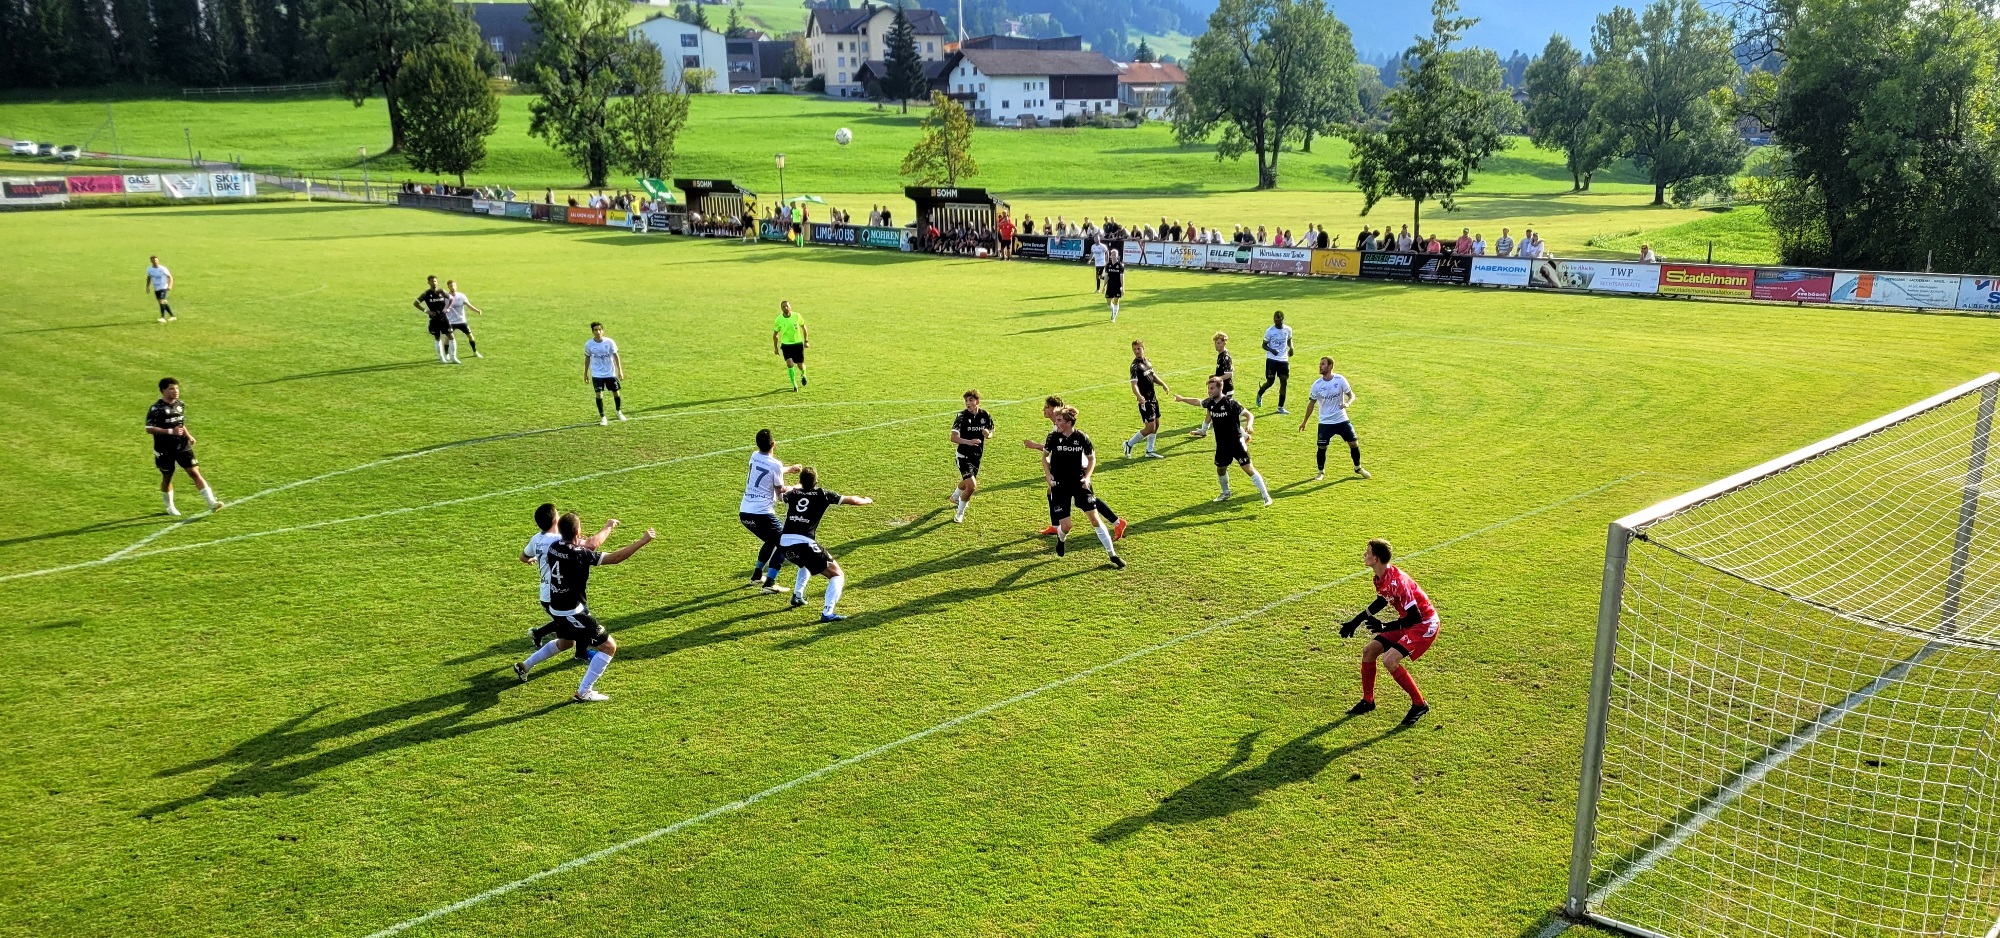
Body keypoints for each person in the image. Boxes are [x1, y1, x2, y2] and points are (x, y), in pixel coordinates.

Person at [513, 513, 656, 703]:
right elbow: (615, 558)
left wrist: (606, 528)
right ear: (577, 532)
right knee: (608, 647)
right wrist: (642, 541)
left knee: (566, 643)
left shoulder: (554, 547)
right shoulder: (578, 554)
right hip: (572, 612)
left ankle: (524, 666)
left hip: (556, 607)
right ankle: (584, 691)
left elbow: (588, 544)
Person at [1339, 538, 1437, 726]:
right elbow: (1381, 601)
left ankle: (1420, 704)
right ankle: (1368, 701)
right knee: (1369, 651)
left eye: (1367, 553)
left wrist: (1384, 627)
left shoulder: (1397, 581)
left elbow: (1415, 617)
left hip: (1424, 624)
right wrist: (1355, 621)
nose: (1364, 555)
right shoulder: (1382, 577)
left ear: (1375, 558)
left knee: (1389, 660)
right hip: (1408, 622)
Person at [779, 467, 874, 622]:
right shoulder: (822, 494)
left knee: (804, 563)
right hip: (804, 542)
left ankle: (797, 595)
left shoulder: (793, 493)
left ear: (800, 481)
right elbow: (853, 500)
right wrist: (866, 500)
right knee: (837, 575)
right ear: (816, 482)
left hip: (784, 543)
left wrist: (794, 487)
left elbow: (781, 496)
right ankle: (828, 612)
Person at [1025, 395, 1125, 539]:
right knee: (1052, 491)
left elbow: (1054, 448)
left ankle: (1117, 522)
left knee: (1087, 499)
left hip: (1078, 467)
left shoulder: (1061, 426)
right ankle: (1056, 526)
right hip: (1066, 468)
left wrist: (1035, 445)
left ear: (1055, 409)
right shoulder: (1058, 426)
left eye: (1047, 407)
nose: (1044, 410)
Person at [1041, 406, 1124, 568]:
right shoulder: (1053, 437)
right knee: (1066, 526)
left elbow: (1092, 459)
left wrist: (1087, 477)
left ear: (1069, 423)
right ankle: (1061, 539)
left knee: (1095, 519)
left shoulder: (1081, 438)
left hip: (1079, 483)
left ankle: (1112, 555)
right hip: (1059, 485)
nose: (1056, 423)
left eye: (1059, 420)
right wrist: (1048, 474)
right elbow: (1044, 457)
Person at [523, 503, 617, 646]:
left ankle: (540, 634)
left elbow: (523, 557)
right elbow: (592, 544)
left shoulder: (536, 538)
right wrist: (609, 526)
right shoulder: (558, 541)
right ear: (556, 520)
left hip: (546, 593)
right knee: (579, 624)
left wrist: (533, 559)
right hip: (559, 593)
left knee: (569, 629)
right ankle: (581, 652)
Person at [1175, 376, 1272, 506]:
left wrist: (1249, 425)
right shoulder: (1210, 403)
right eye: (1208, 388)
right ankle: (1226, 492)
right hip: (1222, 445)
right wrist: (1182, 399)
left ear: (1220, 388)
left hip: (1236, 443)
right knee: (1220, 469)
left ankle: (1266, 496)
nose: (1209, 391)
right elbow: (1197, 401)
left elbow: (1249, 415)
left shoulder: (1231, 404)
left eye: (1212, 388)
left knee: (1248, 468)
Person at [145, 377, 222, 516]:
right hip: (164, 449)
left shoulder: (180, 404)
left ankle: (212, 503)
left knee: (194, 472)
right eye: (171, 388)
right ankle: (169, 506)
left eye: (177, 388)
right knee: (167, 476)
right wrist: (170, 432)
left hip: (182, 445)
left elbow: (180, 424)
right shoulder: (156, 409)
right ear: (163, 390)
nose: (176, 391)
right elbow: (149, 428)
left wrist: (188, 435)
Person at [740, 429, 800, 590]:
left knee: (771, 539)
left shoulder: (754, 456)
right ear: (773, 444)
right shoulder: (775, 465)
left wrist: (789, 469)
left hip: (745, 512)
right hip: (762, 513)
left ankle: (757, 575)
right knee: (784, 542)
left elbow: (768, 470)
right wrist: (797, 486)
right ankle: (770, 583)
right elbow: (780, 493)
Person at [1299, 356, 1368, 481]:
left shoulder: (1340, 380)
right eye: (1320, 364)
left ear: (1330, 366)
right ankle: (1320, 472)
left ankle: (1358, 468)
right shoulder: (1317, 385)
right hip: (1325, 422)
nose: (1320, 366)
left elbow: (1351, 395)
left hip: (1341, 419)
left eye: (1323, 364)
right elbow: (1311, 404)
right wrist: (1304, 422)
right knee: (1322, 447)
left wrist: (1348, 403)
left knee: (1354, 443)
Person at [949, 390, 994, 523]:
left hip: (976, 457)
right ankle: (959, 513)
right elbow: (953, 438)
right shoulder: (961, 416)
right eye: (966, 401)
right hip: (963, 456)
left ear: (977, 401)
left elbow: (991, 431)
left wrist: (988, 434)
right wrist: (969, 442)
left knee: (967, 480)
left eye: (970, 400)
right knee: (972, 486)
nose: (968, 403)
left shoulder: (985, 415)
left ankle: (954, 497)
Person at [1123, 340, 1170, 459]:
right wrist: (1139, 396)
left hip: (1153, 398)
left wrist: (1163, 384)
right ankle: (1129, 444)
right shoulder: (1135, 367)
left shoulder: (1147, 361)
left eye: (1138, 348)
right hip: (1145, 401)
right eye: (1134, 349)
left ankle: (1149, 451)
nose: (1136, 351)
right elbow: (1134, 385)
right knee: (1150, 427)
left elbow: (1152, 375)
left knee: (1157, 424)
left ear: (1143, 348)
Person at [1189, 331, 1234, 438]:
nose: (1216, 345)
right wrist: (1215, 376)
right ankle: (1204, 430)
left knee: (1223, 413)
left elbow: (1229, 374)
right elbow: (1226, 371)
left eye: (1219, 343)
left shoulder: (1225, 357)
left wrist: (1216, 379)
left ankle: (1241, 434)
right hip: (1220, 388)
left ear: (1224, 343)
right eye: (1215, 343)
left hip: (1225, 390)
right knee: (1211, 408)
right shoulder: (1221, 355)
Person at [584, 321, 624, 424]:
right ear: (592, 331)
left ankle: (618, 411)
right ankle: (603, 417)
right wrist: (585, 373)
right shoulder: (589, 344)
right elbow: (587, 358)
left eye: (600, 330)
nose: (598, 332)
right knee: (599, 394)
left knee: (616, 392)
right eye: (595, 330)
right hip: (597, 374)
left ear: (603, 331)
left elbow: (616, 355)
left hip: (610, 373)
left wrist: (620, 370)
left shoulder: (610, 342)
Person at [1256, 310, 1294, 414]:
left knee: (1284, 382)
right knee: (1270, 382)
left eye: (1278, 319)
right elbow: (1264, 345)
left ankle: (1280, 407)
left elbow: (1289, 339)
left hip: (1283, 360)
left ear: (1282, 319)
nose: (1276, 321)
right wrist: (1272, 350)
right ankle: (1260, 393)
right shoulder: (1269, 331)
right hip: (1272, 360)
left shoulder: (1288, 329)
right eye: (1275, 319)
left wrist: (1291, 348)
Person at [413, 275, 455, 364]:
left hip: (443, 318)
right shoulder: (426, 293)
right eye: (432, 281)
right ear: (428, 283)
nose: (434, 283)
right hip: (434, 319)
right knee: (437, 337)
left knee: (451, 336)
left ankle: (454, 357)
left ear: (437, 282)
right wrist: (426, 311)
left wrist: (448, 308)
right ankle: (441, 358)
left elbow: (451, 299)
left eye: (435, 281)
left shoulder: (442, 291)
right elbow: (415, 303)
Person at [773, 300, 810, 391]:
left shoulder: (797, 316)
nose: (785, 308)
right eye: (783, 306)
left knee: (800, 365)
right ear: (781, 308)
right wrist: (776, 348)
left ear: (790, 307)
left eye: (787, 306)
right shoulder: (778, 320)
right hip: (786, 345)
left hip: (797, 344)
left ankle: (803, 374)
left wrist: (806, 341)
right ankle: (794, 384)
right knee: (790, 364)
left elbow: (803, 327)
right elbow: (775, 335)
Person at [443, 279, 483, 360]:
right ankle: (447, 354)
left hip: (461, 321)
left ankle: (475, 351)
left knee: (470, 336)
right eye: (450, 286)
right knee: (447, 338)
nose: (452, 287)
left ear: (456, 286)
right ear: (448, 287)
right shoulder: (446, 297)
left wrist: (477, 311)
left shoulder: (461, 296)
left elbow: (469, 305)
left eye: (453, 285)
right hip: (450, 321)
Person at [145, 255, 175, 323]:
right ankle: (172, 316)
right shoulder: (149, 269)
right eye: (153, 261)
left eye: (156, 260)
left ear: (158, 260)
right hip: (156, 288)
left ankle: (162, 317)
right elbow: (149, 278)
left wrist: (170, 286)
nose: (155, 262)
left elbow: (170, 277)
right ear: (151, 261)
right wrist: (147, 286)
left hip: (163, 287)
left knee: (161, 301)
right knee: (162, 302)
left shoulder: (162, 269)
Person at [1104, 250, 1126, 322]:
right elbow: (1106, 276)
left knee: (1116, 300)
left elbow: (1122, 277)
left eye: (1115, 254)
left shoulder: (1120, 265)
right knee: (1108, 302)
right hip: (1110, 285)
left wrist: (1123, 287)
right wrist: (1104, 286)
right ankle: (1113, 309)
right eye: (1112, 254)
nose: (1113, 255)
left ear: (1117, 255)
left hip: (1117, 286)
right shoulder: (1108, 265)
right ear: (1110, 255)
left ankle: (1113, 317)